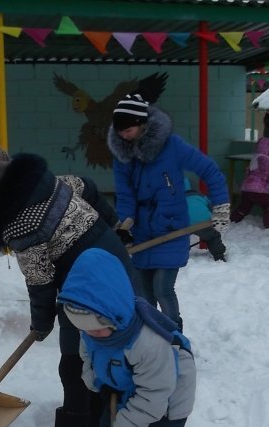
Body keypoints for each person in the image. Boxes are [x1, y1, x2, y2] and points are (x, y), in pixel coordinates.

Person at [0, 141, 135, 427]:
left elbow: (39, 280)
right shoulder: (50, 181)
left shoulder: (20, 221)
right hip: (110, 269)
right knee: (93, 356)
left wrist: (40, 323)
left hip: (87, 288)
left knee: (72, 364)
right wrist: (113, 225)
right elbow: (88, 186)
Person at [57, 247, 196, 427]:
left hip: (168, 395)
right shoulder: (92, 327)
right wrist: (95, 381)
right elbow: (89, 357)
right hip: (124, 386)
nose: (90, 334)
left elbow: (155, 394)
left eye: (96, 329)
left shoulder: (149, 342)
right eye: (84, 329)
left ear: (115, 314)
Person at [107, 72, 230, 331]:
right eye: (119, 132)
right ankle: (153, 332)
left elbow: (209, 171)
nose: (124, 136)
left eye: (128, 130)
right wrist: (125, 223)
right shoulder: (123, 155)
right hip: (142, 234)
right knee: (143, 291)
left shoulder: (171, 146)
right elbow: (126, 194)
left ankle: (174, 332)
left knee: (163, 288)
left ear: (142, 124)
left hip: (172, 229)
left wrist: (221, 207)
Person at [230, 137, 269, 229]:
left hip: (246, 189)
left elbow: (262, 175)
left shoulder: (255, 158)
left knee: (244, 208)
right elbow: (268, 175)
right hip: (258, 190)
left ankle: (233, 220)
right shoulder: (265, 159)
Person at [185, 177, 226, 262]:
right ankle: (219, 255)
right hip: (203, 223)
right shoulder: (202, 197)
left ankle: (180, 253)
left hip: (184, 224)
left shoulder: (176, 200)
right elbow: (211, 208)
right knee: (213, 237)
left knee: (179, 238)